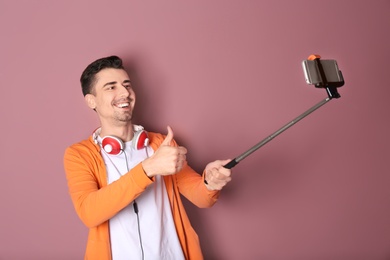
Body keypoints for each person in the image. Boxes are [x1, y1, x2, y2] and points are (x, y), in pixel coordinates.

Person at [63, 55, 232, 260]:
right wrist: (147, 169)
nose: (125, 92)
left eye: (127, 85)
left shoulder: (161, 144)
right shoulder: (79, 155)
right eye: (111, 87)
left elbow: (201, 197)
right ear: (91, 100)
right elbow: (90, 212)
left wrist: (210, 182)